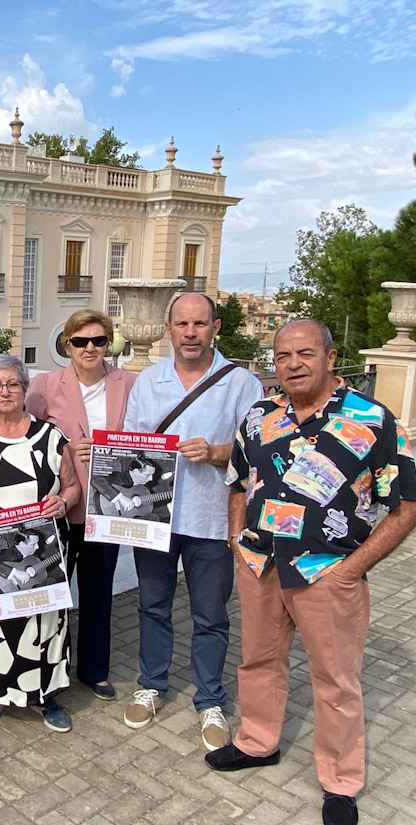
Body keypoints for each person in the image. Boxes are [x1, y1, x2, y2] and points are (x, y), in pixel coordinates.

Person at [208, 320, 416, 825]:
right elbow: (238, 481)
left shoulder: (373, 421)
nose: (293, 364)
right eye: (283, 356)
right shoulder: (260, 415)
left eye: (305, 353)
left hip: (328, 573)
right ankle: (259, 742)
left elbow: (406, 508)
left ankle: (340, 782)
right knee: (258, 662)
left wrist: (351, 572)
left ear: (331, 356)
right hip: (260, 566)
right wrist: (238, 539)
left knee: (335, 681)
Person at [121, 292, 264, 751]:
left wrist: (218, 453)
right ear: (169, 329)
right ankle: (153, 683)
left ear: (215, 328)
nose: (190, 332)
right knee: (153, 607)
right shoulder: (149, 381)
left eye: (199, 324)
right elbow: (129, 447)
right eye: (181, 324)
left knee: (211, 615)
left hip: (211, 518)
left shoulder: (241, 383)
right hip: (154, 518)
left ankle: (210, 699)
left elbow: (258, 452)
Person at [0, 353, 81, 734]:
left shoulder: (50, 437)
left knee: (42, 623)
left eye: (12, 384)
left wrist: (64, 501)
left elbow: (71, 486)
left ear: (25, 388)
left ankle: (46, 696)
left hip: (41, 553)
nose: (4, 391)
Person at [26, 309, 135, 701]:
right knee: (51, 593)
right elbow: (24, 435)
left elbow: (145, 440)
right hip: (57, 507)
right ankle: (45, 670)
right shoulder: (44, 384)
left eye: (98, 340)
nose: (90, 348)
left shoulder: (129, 383)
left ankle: (93, 670)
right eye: (80, 341)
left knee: (97, 592)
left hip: (108, 511)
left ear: (109, 343)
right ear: (66, 345)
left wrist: (113, 448)